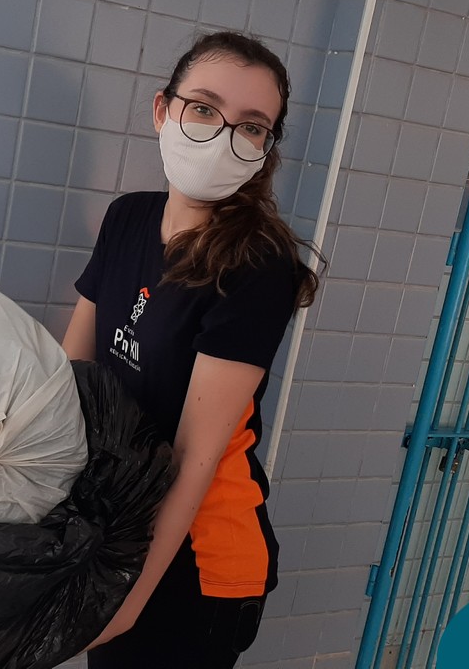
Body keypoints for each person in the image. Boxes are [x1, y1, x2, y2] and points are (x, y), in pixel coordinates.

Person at [63, 32, 320, 669]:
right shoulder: (127, 219)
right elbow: (71, 377)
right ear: (163, 110)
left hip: (194, 560)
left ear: (264, 150)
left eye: (251, 126)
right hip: (119, 523)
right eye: (204, 108)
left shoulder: (256, 265)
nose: (222, 135)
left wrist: (129, 600)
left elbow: (195, 456)